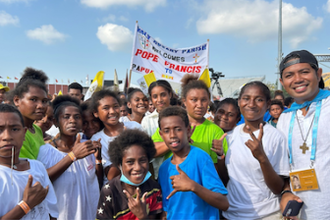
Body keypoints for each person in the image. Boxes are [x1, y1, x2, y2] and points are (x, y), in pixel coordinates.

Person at [216, 81, 290, 220]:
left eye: (259, 99)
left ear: (268, 104)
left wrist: (262, 158)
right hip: (232, 214)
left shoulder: (276, 137)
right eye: (246, 98)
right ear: (239, 102)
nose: (251, 104)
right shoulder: (231, 136)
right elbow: (227, 179)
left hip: (267, 214)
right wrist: (221, 157)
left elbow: (278, 188)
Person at [277, 50, 330, 219]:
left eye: (305, 72)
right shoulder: (284, 118)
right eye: (289, 75)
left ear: (319, 73)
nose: (298, 79)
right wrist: (285, 192)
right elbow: (284, 167)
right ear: (282, 82)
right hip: (302, 212)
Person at [158, 106, 229, 219]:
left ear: (188, 130)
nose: (172, 135)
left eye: (178, 129)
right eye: (167, 131)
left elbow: (224, 203)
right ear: (161, 135)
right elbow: (168, 209)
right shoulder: (164, 168)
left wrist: (193, 186)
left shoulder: (200, 158)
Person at [37, 95, 101, 220]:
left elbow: (96, 181)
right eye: (66, 117)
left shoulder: (87, 145)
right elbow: (42, 180)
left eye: (77, 117)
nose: (72, 121)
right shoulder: (47, 151)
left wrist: (98, 160)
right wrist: (73, 156)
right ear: (55, 122)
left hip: (90, 214)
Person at [0, 104, 58, 219]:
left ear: (24, 133)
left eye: (15, 129)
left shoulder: (37, 167)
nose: (7, 136)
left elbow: (51, 212)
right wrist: (26, 205)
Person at [96, 129, 163, 220]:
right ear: (120, 165)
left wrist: (143, 216)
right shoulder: (110, 191)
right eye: (130, 162)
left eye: (142, 160)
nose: (138, 167)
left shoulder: (154, 189)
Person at [91, 89, 142, 184]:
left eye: (116, 106)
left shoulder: (135, 127)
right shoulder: (97, 139)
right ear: (96, 113)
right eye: (106, 108)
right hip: (116, 190)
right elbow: (111, 175)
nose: (113, 111)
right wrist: (125, 146)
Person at [13, 69, 49, 159]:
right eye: (33, 99)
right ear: (17, 100)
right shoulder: (15, 133)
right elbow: (33, 171)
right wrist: (72, 156)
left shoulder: (37, 129)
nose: (41, 106)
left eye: (44, 101)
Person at [141, 80, 173, 179]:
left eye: (163, 95)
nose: (159, 100)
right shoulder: (147, 121)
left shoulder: (181, 116)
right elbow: (146, 150)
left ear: (170, 94)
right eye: (155, 96)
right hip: (157, 173)